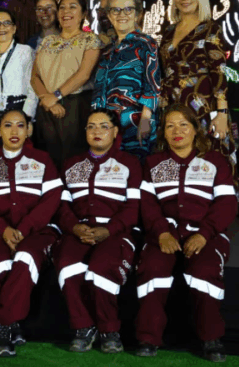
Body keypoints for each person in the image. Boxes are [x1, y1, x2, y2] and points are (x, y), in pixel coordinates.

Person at [135, 104, 237, 362]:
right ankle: (148, 338)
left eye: (183, 124)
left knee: (204, 273)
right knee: (152, 270)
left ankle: (211, 338)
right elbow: (147, 205)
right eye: (170, 126)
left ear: (195, 129)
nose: (177, 131)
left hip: (206, 235)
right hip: (164, 234)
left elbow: (226, 204)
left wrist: (204, 234)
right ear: (163, 133)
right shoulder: (153, 163)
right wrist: (161, 233)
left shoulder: (215, 161)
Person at [0, 110, 62, 357]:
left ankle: (3, 326)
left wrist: (21, 230)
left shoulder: (43, 160)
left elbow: (51, 201)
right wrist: (3, 229)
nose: (14, 131)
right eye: (8, 125)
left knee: (24, 259)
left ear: (29, 130)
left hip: (37, 232)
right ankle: (11, 324)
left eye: (21, 125)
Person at [54, 109, 142, 354]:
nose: (96, 131)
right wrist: (74, 226)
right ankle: (84, 327)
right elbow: (62, 205)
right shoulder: (71, 165)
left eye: (104, 126)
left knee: (101, 268)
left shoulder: (130, 164)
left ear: (115, 132)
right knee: (67, 265)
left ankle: (108, 329)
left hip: (116, 232)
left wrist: (109, 229)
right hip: (78, 230)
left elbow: (133, 208)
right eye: (91, 126)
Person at [158, 0, 235, 172]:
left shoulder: (210, 28)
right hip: (171, 108)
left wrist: (221, 113)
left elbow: (218, 71)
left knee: (209, 161)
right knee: (173, 163)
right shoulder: (168, 31)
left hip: (202, 107)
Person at [31, 0, 104, 170]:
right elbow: (34, 77)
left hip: (75, 106)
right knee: (46, 158)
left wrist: (56, 96)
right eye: (62, 7)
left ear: (83, 14)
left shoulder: (90, 40)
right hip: (46, 105)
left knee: (72, 158)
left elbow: (83, 75)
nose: (66, 11)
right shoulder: (48, 41)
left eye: (72, 7)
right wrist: (46, 99)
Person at [91, 0, 160, 159]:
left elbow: (153, 84)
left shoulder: (146, 44)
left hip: (135, 122)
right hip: (108, 126)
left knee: (136, 168)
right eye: (115, 10)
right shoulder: (107, 50)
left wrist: (145, 119)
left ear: (137, 14)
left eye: (128, 9)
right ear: (108, 14)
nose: (122, 14)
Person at [0, 9, 38, 154]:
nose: (1, 28)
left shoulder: (25, 52)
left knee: (18, 156)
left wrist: (27, 118)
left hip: (18, 110)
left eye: (7, 23)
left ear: (14, 28)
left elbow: (34, 87)